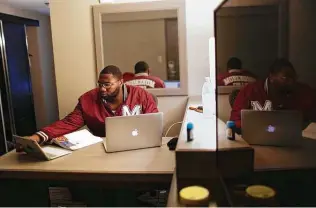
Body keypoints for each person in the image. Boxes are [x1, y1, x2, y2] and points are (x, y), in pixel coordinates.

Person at [18, 65, 158, 148]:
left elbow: (154, 123)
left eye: (107, 84)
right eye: (100, 84)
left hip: (136, 148)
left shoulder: (142, 96)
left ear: (121, 82)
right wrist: (36, 137)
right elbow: (68, 123)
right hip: (101, 152)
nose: (102, 89)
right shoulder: (88, 99)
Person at [230, 58, 316, 132]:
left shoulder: (304, 92)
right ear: (271, 77)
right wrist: (263, 129)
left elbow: (311, 119)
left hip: (293, 143)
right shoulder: (250, 91)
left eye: (294, 78)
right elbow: (234, 121)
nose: (291, 82)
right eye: (286, 77)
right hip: (257, 141)